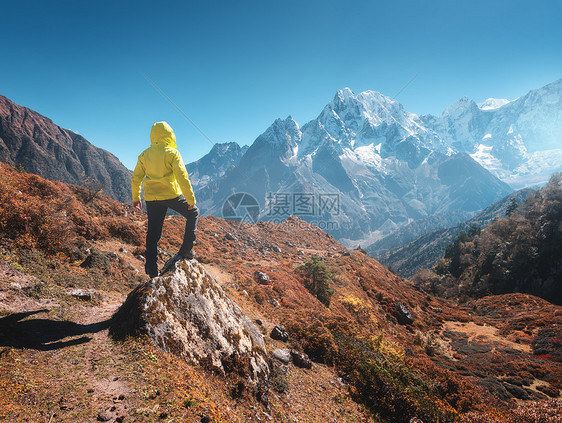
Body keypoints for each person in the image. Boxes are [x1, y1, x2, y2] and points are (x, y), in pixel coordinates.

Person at [131, 121, 199, 278]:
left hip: (152, 198)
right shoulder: (172, 153)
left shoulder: (144, 155)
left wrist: (136, 198)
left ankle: (151, 269)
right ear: (170, 135)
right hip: (171, 195)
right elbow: (183, 177)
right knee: (193, 212)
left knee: (153, 233)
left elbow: (136, 178)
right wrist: (190, 199)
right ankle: (186, 249)